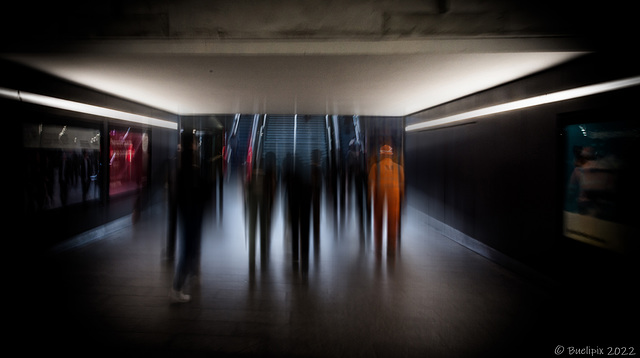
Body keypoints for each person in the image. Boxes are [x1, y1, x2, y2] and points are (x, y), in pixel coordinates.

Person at [170, 134, 206, 303]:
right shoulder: (191, 164)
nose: (196, 144)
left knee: (189, 248)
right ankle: (177, 288)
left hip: (187, 212)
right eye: (194, 142)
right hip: (191, 212)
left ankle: (188, 276)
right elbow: (196, 189)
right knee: (188, 249)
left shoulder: (181, 164)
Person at [368, 144, 405, 257]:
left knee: (378, 220)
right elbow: (402, 186)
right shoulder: (399, 168)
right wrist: (402, 198)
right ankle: (391, 247)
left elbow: (371, 184)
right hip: (394, 197)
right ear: (391, 155)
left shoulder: (375, 167)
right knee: (393, 221)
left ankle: (378, 246)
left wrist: (370, 199)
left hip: (380, 194)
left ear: (381, 155)